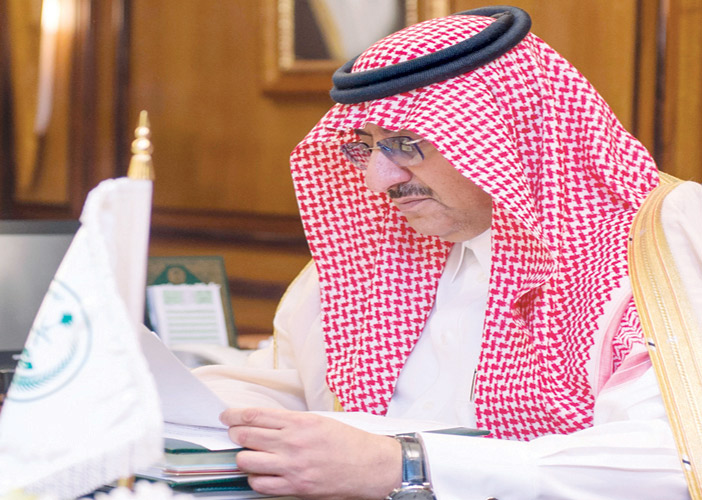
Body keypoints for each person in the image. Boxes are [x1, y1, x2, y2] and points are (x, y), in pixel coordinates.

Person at [195, 6, 700, 499]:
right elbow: (288, 385)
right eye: (366, 147)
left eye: (405, 143)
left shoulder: (658, 242)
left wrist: (405, 466)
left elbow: (673, 458)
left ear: (505, 133)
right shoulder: (375, 246)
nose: (378, 181)